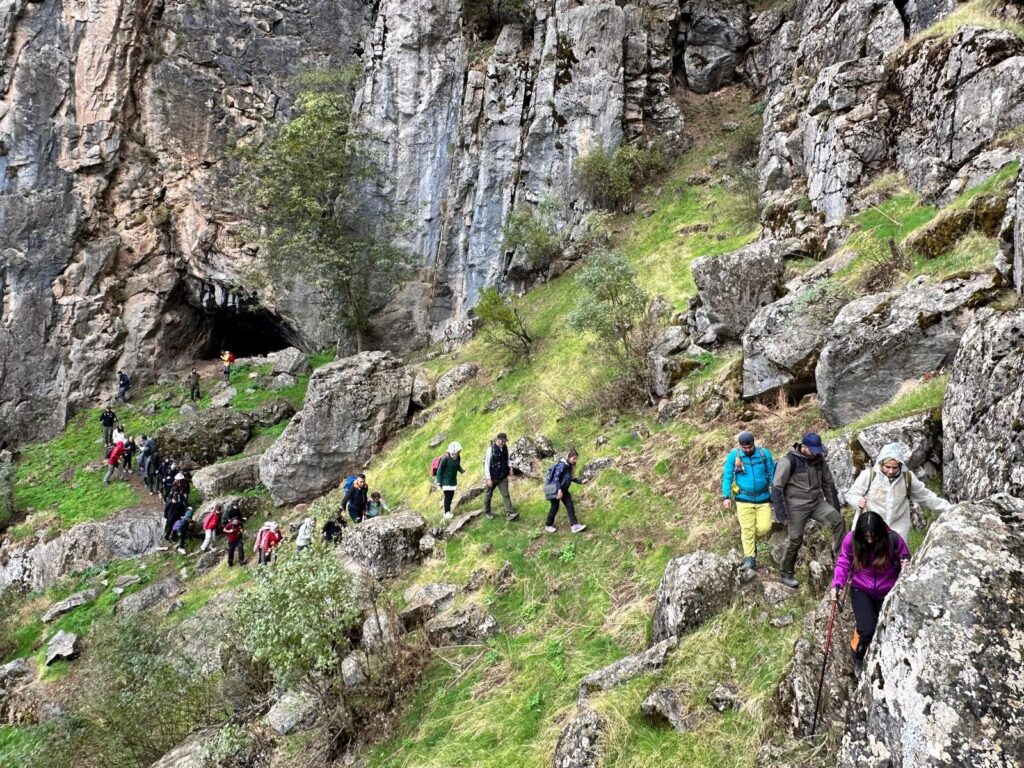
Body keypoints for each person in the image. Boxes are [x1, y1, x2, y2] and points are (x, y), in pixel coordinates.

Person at [831, 511, 910, 672]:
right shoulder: (851, 540)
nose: (869, 540)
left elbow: (906, 558)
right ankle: (857, 654)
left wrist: (906, 566)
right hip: (861, 588)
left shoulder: (893, 540)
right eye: (866, 537)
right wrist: (837, 584)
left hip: (888, 590)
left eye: (873, 536)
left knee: (886, 629)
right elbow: (844, 561)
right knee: (867, 628)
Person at [772, 433, 846, 589]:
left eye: (817, 450)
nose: (816, 453)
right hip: (796, 507)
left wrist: (835, 508)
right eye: (813, 450)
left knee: (838, 521)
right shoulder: (788, 462)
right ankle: (786, 572)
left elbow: (828, 484)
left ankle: (842, 561)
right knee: (795, 539)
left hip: (817, 502)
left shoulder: (819, 460)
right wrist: (782, 515)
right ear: (803, 447)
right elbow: (776, 488)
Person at [845, 443, 952, 545]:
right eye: (887, 467)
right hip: (870, 531)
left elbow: (926, 497)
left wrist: (950, 509)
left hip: (897, 533)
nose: (891, 471)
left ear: (900, 465)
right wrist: (857, 501)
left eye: (895, 467)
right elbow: (851, 494)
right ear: (881, 463)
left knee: (897, 562)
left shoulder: (907, 478)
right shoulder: (869, 475)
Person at [721, 430, 776, 571]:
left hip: (763, 497)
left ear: (754, 444)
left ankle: (750, 543)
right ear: (740, 446)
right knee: (747, 529)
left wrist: (774, 491)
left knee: (765, 527)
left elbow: (772, 473)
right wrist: (726, 496)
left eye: (749, 447)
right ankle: (749, 558)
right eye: (744, 448)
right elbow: (727, 476)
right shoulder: (734, 456)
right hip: (743, 498)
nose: (747, 450)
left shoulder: (764, 454)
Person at [544, 449, 589, 534]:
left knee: (570, 505)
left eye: (576, 459)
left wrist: (581, 481)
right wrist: (559, 490)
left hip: (564, 491)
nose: (575, 460)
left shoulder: (568, 466)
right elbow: (556, 478)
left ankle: (574, 526)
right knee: (554, 507)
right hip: (556, 490)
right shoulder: (562, 465)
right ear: (568, 457)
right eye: (574, 458)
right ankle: (548, 525)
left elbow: (570, 477)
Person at [483, 432, 518, 522]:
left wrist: (510, 467)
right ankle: (487, 511)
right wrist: (488, 478)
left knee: (505, 494)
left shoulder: (505, 447)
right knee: (488, 495)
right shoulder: (490, 450)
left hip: (503, 476)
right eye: (502, 441)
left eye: (505, 441)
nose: (503, 443)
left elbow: (507, 459)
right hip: (493, 477)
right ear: (497, 439)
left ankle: (510, 513)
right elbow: (486, 464)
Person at [437, 442, 465, 521]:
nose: (459, 452)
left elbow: (457, 465)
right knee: (448, 496)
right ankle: (446, 513)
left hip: (452, 480)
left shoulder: (458, 457)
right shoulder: (445, 458)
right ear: (454, 450)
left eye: (459, 450)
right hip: (445, 481)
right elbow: (440, 470)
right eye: (458, 450)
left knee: (451, 495)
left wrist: (462, 471)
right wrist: (439, 482)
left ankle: (448, 511)